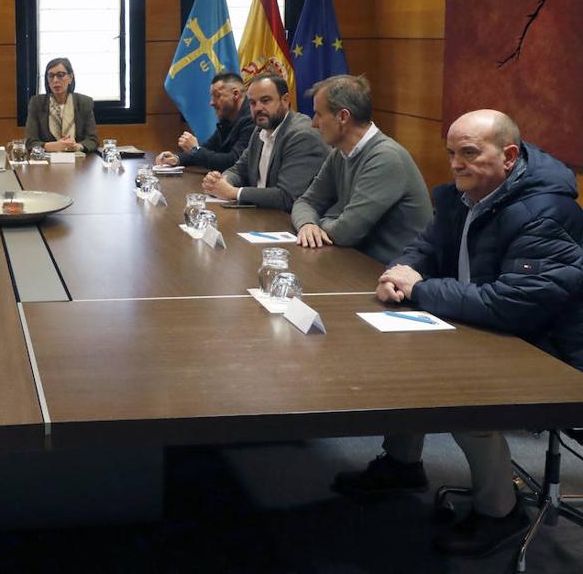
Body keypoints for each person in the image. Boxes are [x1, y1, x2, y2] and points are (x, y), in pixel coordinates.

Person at [334, 109, 583, 557]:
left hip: (548, 352)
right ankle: (403, 463)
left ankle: (500, 512)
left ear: (508, 156)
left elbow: (513, 305)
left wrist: (423, 289)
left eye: (469, 153)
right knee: (401, 355)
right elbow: (425, 246)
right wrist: (401, 271)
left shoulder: (545, 212)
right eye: (451, 153)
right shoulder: (460, 198)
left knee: (462, 391)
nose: (455, 164)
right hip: (484, 327)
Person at [290, 75, 432, 264]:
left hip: (391, 274)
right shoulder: (339, 153)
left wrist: (321, 220)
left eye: (319, 114)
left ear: (343, 117)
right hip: (354, 261)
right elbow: (306, 202)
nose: (314, 123)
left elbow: (346, 232)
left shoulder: (386, 158)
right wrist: (307, 224)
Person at [201, 73, 328, 211]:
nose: (258, 108)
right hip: (261, 213)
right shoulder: (259, 131)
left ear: (285, 100)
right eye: (252, 103)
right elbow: (239, 169)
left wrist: (233, 192)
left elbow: (287, 196)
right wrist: (221, 181)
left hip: (290, 222)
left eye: (265, 100)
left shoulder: (301, 135)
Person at [155, 71, 253, 171]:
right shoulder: (227, 119)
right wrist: (177, 159)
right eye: (212, 96)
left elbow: (233, 162)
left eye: (217, 96)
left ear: (235, 94)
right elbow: (208, 149)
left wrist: (196, 150)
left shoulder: (252, 120)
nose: (212, 103)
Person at [23, 57, 99, 154]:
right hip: (47, 162)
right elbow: (30, 143)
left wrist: (77, 146)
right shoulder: (37, 103)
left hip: (78, 161)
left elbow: (92, 140)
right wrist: (55, 146)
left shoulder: (84, 102)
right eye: (51, 76)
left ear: (70, 77)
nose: (55, 80)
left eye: (60, 75)